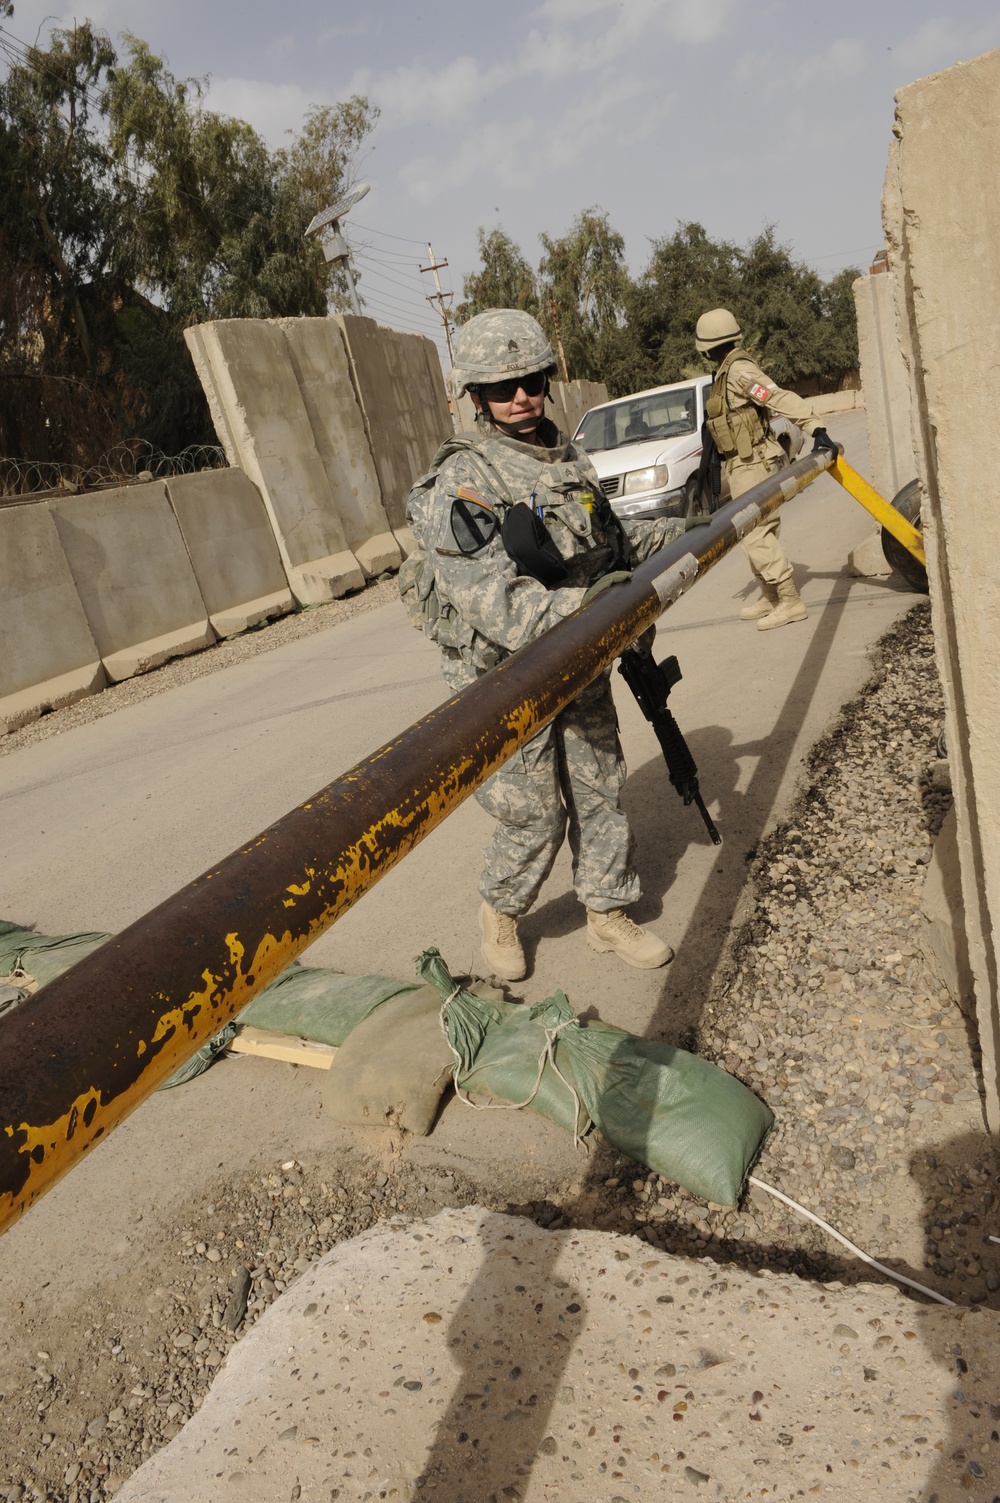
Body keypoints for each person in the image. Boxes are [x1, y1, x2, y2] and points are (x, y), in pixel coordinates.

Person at [401, 308, 701, 983]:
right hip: (506, 675)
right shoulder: (464, 480)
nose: (521, 397)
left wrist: (681, 533)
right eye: (504, 387)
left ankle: (608, 911)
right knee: (532, 812)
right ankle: (501, 912)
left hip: (581, 649)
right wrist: (596, 612)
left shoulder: (565, 456)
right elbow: (498, 604)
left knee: (599, 786)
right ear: (476, 396)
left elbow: (607, 546)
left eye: (532, 379)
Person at [694, 308, 839, 630]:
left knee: (754, 530)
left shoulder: (738, 372)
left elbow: (776, 397)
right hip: (744, 462)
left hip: (754, 461)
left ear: (704, 346)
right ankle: (770, 595)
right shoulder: (725, 371)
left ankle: (790, 601)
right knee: (763, 528)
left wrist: (815, 427)